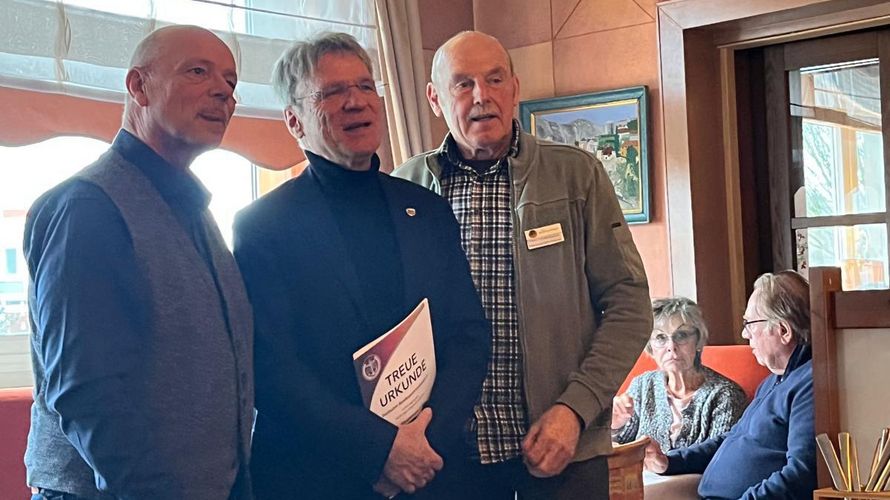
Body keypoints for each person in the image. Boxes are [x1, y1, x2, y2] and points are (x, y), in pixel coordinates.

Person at [392, 30, 652, 499]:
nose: (481, 97)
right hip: (444, 460)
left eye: (494, 80)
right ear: (434, 98)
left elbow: (630, 305)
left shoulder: (577, 175)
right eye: (462, 84)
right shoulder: (404, 188)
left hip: (563, 453)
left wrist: (575, 408)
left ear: (514, 89)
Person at [232, 32, 490, 500]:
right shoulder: (262, 227)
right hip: (322, 476)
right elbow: (271, 370)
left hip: (432, 471)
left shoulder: (427, 210)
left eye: (366, 86)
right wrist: (381, 451)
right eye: (332, 93)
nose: (356, 102)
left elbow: (468, 335)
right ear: (295, 120)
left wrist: (423, 443)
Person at [24, 25, 254, 499]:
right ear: (137, 86)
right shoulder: (88, 207)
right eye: (197, 71)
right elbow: (89, 395)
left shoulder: (197, 213)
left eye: (231, 84)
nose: (222, 92)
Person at [644, 271, 816, 499]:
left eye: (750, 323)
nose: (745, 333)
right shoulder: (774, 380)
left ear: (783, 331)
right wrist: (670, 461)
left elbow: (802, 475)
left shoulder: (809, 383)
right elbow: (731, 439)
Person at [612, 297, 747, 452]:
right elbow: (620, 448)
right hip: (643, 476)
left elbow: (719, 458)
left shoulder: (726, 395)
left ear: (698, 341)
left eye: (681, 335)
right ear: (651, 347)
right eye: (660, 337)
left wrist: (666, 463)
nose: (671, 346)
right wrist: (616, 426)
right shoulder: (642, 385)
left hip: (700, 477)